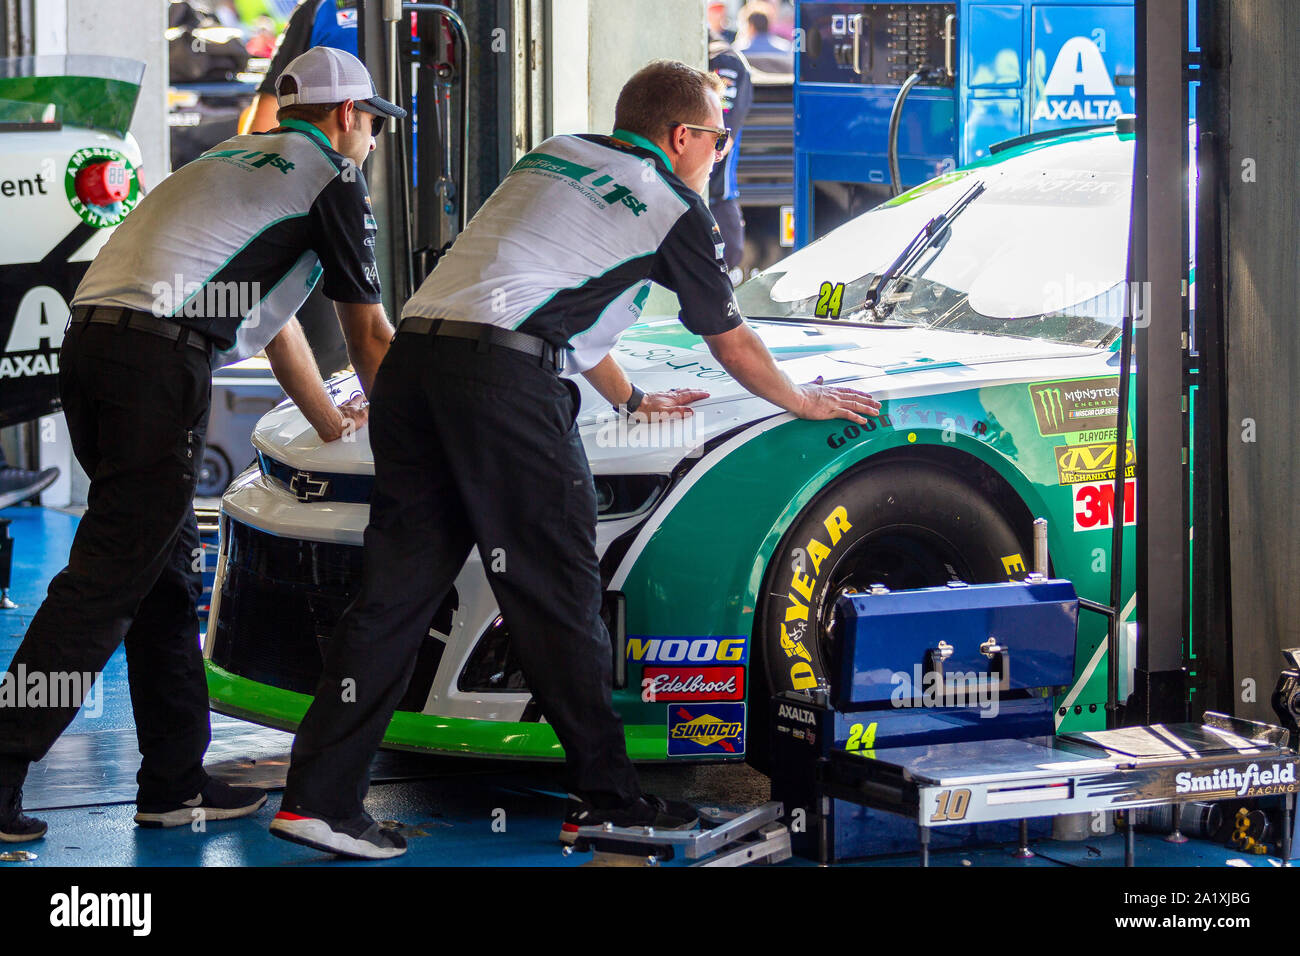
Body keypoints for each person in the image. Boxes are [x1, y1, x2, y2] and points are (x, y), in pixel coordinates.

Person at [269, 58, 881, 861]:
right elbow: (729, 338)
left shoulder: (554, 155)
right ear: (681, 136)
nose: (720, 155)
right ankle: (608, 802)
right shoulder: (672, 203)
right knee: (559, 590)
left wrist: (628, 399)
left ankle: (317, 800)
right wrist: (801, 399)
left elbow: (551, 294)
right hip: (501, 387)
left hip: (417, 368)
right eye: (719, 139)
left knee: (392, 595)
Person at [0, 46, 404, 843]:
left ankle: (174, 782)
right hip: (155, 360)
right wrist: (417, 444)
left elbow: (278, 327)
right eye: (372, 126)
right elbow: (370, 337)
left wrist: (331, 425)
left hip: (93, 349)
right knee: (104, 586)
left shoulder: (232, 161)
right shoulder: (330, 173)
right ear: (348, 116)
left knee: (161, 577)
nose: (371, 142)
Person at [242, 0, 361, 376]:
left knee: (331, 371)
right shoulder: (443, 12)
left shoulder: (322, 11)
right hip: (430, 213)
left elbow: (264, 127)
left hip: (319, 208)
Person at [708, 28, 753, 283]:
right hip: (703, 190)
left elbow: (721, 134)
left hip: (716, 193)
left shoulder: (725, 61)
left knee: (728, 255)